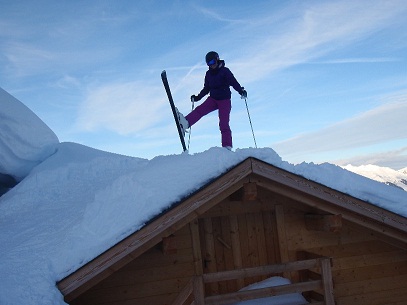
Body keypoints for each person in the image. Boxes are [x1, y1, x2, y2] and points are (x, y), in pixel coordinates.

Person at [177, 51, 247, 150]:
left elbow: (233, 82)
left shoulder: (225, 71)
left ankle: (227, 147)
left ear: (217, 59)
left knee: (223, 123)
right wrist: (198, 97)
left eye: (213, 62)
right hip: (213, 99)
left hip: (225, 100)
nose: (212, 65)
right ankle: (186, 123)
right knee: (200, 110)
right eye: (209, 63)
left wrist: (241, 91)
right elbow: (206, 88)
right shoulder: (208, 74)